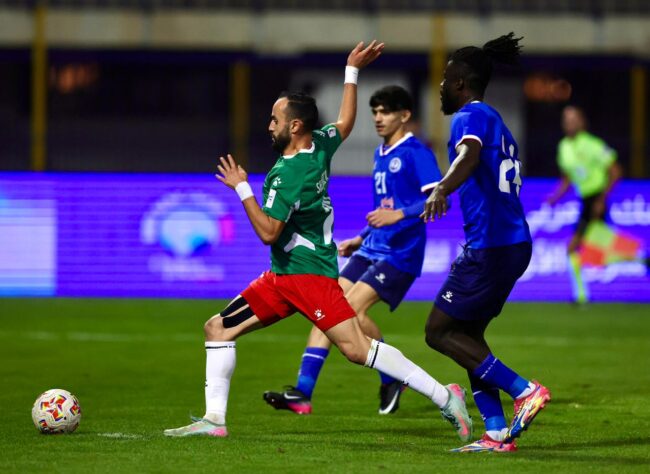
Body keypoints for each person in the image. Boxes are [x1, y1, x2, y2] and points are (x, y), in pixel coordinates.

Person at [164, 41, 473, 443]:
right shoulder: (320, 144)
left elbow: (269, 232)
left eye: (275, 119)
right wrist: (351, 71)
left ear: (294, 126)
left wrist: (242, 188)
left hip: (309, 278)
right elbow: (345, 122)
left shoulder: (289, 174)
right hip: (282, 277)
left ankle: (444, 395)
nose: (268, 125)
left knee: (358, 349)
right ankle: (214, 420)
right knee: (218, 328)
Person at [263, 85, 443, 416]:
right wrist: (361, 237)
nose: (378, 118)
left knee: (346, 309)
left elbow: (438, 200)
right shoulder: (380, 153)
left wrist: (399, 215)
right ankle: (303, 392)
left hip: (400, 253)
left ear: (404, 115)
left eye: (385, 111)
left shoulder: (416, 152)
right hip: (372, 246)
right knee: (326, 307)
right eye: (375, 112)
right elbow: (383, 208)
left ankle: (392, 376)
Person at [421, 33, 550, 453]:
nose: (441, 86)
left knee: (438, 331)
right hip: (507, 241)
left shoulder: (470, 116)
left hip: (492, 245)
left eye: (445, 79)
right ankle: (495, 432)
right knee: (467, 337)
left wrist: (443, 187)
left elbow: (470, 155)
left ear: (460, 82)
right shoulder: (497, 121)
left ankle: (524, 390)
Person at [547, 105, 622, 303]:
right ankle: (640, 258)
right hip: (585, 201)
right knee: (601, 250)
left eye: (573, 119)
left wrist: (602, 199)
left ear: (582, 122)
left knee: (577, 248)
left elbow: (615, 171)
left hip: (596, 200)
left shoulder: (593, 144)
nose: (569, 123)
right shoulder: (563, 147)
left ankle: (581, 296)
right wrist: (555, 197)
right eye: (566, 120)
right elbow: (567, 178)